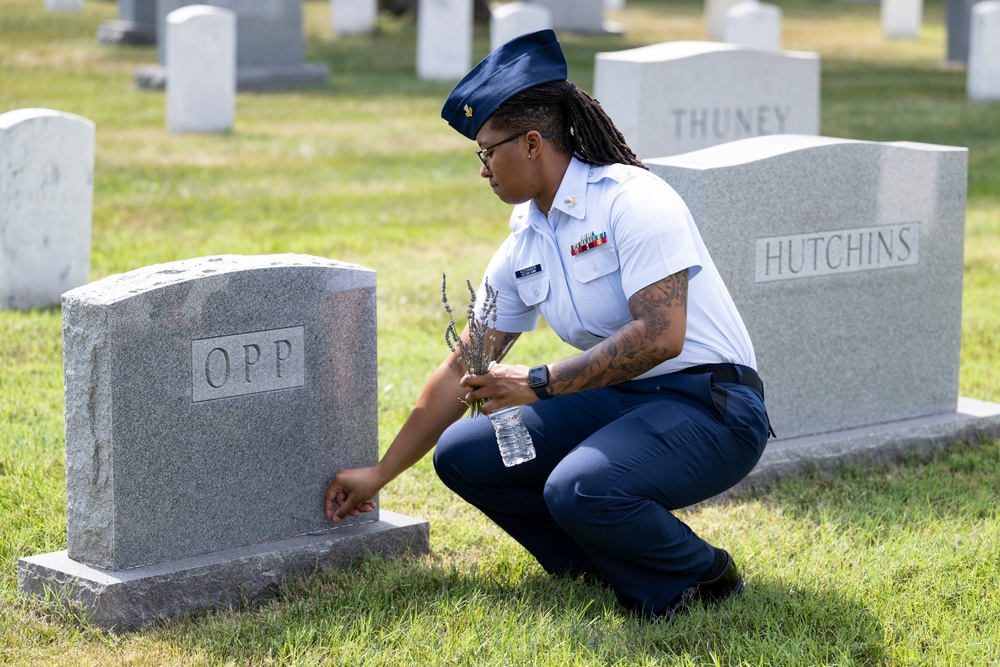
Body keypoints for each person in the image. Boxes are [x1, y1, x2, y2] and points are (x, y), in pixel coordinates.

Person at [325, 29, 772, 619]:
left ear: (532, 143)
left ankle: (701, 577)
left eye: (487, 150)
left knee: (581, 487)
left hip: (711, 405)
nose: (482, 167)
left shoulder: (632, 200)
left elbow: (663, 335)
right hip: (618, 398)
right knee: (464, 453)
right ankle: (596, 566)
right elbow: (467, 360)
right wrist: (381, 473)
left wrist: (536, 383)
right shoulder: (525, 239)